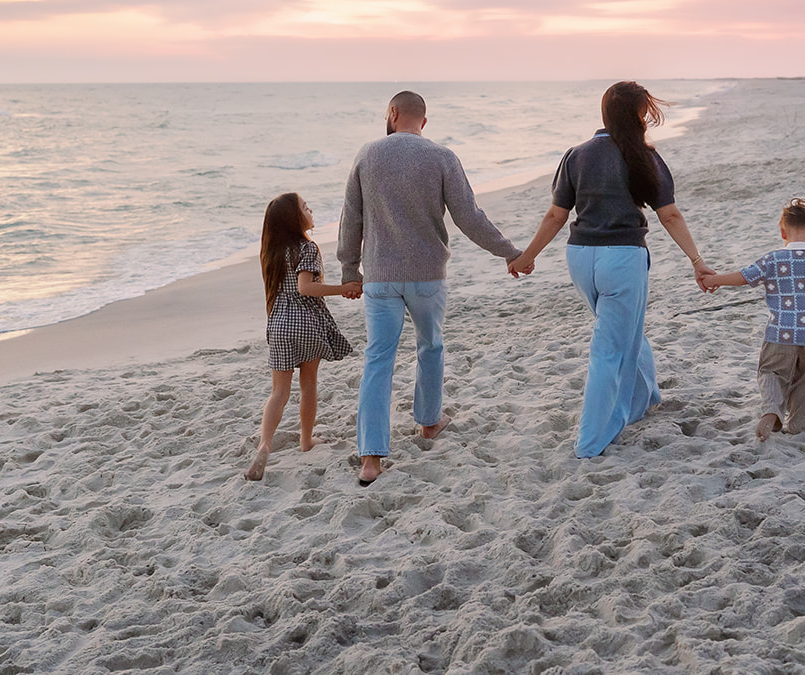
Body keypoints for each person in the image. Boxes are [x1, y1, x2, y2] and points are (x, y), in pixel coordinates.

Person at [510, 81, 714, 458]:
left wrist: (528, 255)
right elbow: (668, 213)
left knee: (623, 333)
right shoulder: (644, 156)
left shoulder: (576, 155)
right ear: (639, 116)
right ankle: (592, 441)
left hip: (581, 258)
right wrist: (697, 261)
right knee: (609, 347)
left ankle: (643, 398)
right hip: (622, 259)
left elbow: (557, 215)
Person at [339, 91, 523, 485]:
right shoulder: (442, 157)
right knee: (431, 346)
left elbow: (350, 218)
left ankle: (371, 458)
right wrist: (508, 252)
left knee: (378, 360)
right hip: (427, 275)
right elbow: (469, 218)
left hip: (380, 277)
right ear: (423, 121)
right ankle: (428, 423)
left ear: (392, 113)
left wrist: (349, 270)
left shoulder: (367, 155)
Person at [699, 197, 805, 439]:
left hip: (780, 332)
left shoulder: (773, 259)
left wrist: (714, 280)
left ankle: (771, 411)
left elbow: (744, 277)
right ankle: (798, 426)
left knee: (771, 373)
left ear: (782, 232)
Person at [246, 193, 360, 481]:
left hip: (279, 325)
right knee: (308, 384)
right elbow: (305, 288)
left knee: (279, 392)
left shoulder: (270, 252)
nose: (311, 210)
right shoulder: (307, 248)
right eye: (305, 208)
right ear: (293, 219)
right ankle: (306, 441)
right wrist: (344, 287)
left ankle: (264, 445)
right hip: (306, 323)